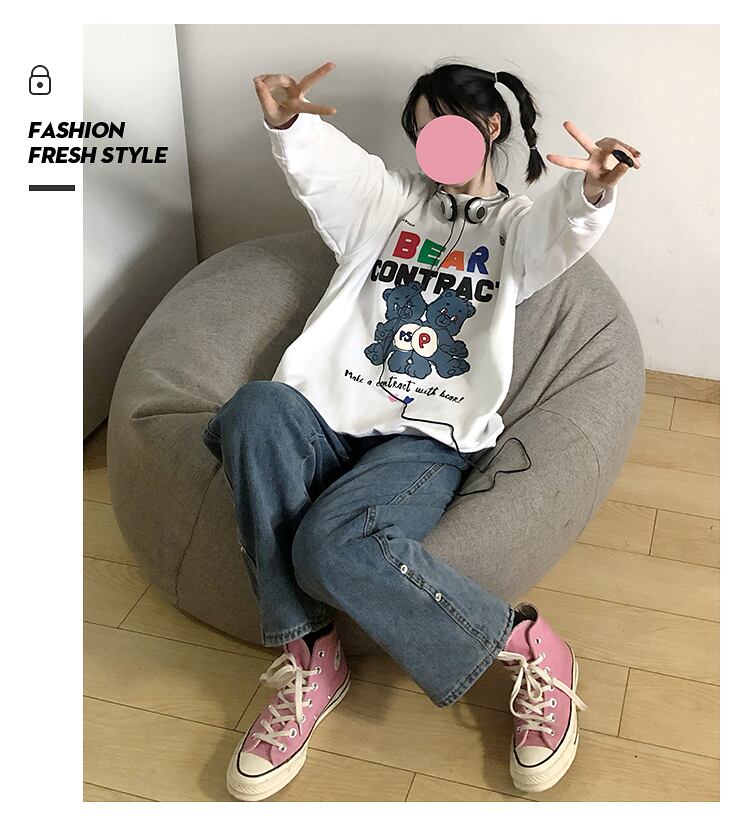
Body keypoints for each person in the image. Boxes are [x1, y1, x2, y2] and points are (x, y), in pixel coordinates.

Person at [201, 58, 640, 801]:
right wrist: (290, 124)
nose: (432, 143)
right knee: (253, 409)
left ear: (490, 125)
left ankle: (524, 643)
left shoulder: (515, 229)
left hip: (424, 439)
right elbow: (330, 172)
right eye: (421, 131)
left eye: (446, 125)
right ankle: (312, 653)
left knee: (331, 545)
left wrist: (592, 188)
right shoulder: (387, 202)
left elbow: (560, 227)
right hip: (324, 417)